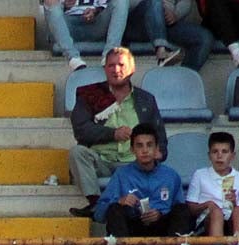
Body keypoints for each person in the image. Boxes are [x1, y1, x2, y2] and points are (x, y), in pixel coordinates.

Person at [68, 47, 169, 218]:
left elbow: (158, 133)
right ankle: (95, 203)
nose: (116, 70)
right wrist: (112, 134)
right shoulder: (90, 95)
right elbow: (81, 130)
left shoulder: (145, 99)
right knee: (77, 152)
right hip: (101, 160)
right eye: (111, 65)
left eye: (121, 65)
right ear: (105, 69)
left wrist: (160, 152)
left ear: (132, 68)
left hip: (133, 163)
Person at [94, 124, 192, 243]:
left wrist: (160, 214)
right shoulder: (121, 175)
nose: (145, 150)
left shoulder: (171, 176)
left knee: (182, 209)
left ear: (157, 149)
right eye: (139, 146)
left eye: (149, 145)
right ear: (132, 150)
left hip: (162, 228)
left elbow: (180, 212)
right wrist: (119, 201)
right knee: (114, 209)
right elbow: (99, 214)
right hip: (132, 228)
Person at [185, 131, 239, 239]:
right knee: (216, 212)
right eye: (215, 151)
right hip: (207, 222)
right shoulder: (199, 175)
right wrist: (207, 205)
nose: (219, 156)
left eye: (224, 152)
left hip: (231, 221)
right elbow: (191, 208)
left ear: (232, 155)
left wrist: (234, 203)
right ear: (209, 155)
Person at [43, 0, 131, 72]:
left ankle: (109, 55)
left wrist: (95, 11)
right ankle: (73, 57)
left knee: (121, 1)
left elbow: (107, 5)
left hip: (97, 24)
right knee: (50, 3)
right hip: (68, 26)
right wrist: (64, 4)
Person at [126, 0, 214, 72]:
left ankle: (181, 81)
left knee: (204, 37)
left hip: (166, 23)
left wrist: (175, 14)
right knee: (155, 2)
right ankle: (162, 52)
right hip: (138, 23)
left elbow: (186, 2)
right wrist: (159, 8)